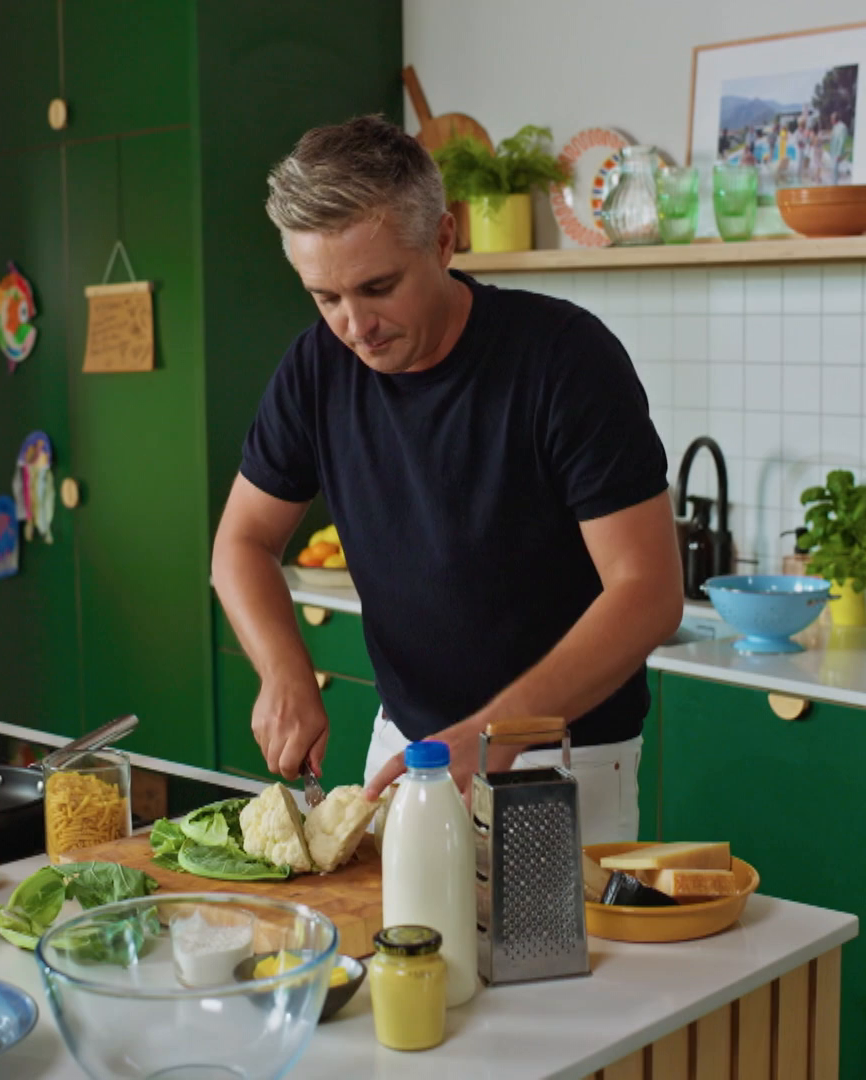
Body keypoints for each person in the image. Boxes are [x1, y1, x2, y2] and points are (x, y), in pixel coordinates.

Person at [210, 116, 681, 844]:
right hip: (404, 750)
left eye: (378, 287)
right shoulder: (316, 368)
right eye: (325, 297)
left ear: (442, 240)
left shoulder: (564, 358)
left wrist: (492, 733)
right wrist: (281, 669)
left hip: (561, 759)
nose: (355, 326)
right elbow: (241, 542)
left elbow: (649, 593)